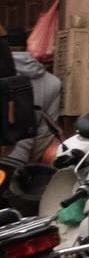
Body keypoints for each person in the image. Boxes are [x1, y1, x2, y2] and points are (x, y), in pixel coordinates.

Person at [0, 26, 63, 181]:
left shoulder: (5, 73)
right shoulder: (53, 82)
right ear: (26, 44)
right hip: (21, 158)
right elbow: (45, 132)